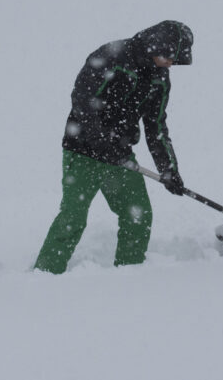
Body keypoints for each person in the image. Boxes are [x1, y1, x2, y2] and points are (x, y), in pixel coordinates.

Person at [35, 20, 193, 274]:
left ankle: (129, 276)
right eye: (170, 56)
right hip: (82, 151)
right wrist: (100, 142)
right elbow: (83, 102)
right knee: (72, 219)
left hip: (120, 157)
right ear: (156, 45)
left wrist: (169, 170)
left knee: (138, 216)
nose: (171, 64)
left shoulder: (160, 79)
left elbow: (157, 128)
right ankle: (44, 275)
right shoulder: (113, 56)